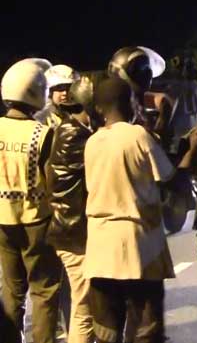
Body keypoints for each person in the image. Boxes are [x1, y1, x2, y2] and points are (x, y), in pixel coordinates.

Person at [83, 77, 197, 343]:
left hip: (100, 250)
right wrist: (194, 149)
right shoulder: (137, 135)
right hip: (139, 248)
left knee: (106, 332)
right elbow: (173, 181)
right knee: (146, 332)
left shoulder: (92, 142)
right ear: (129, 103)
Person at [0, 59, 62, 343]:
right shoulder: (42, 132)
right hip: (36, 221)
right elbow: (51, 183)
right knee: (44, 290)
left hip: (2, 221)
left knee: (12, 291)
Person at [46, 76, 100, 343]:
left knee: (84, 306)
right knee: (84, 310)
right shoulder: (74, 135)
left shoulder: (73, 130)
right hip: (73, 233)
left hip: (69, 230)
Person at [35, 64, 80, 129]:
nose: (64, 93)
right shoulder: (42, 118)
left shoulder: (80, 114)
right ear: (50, 91)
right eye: (60, 88)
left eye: (68, 88)